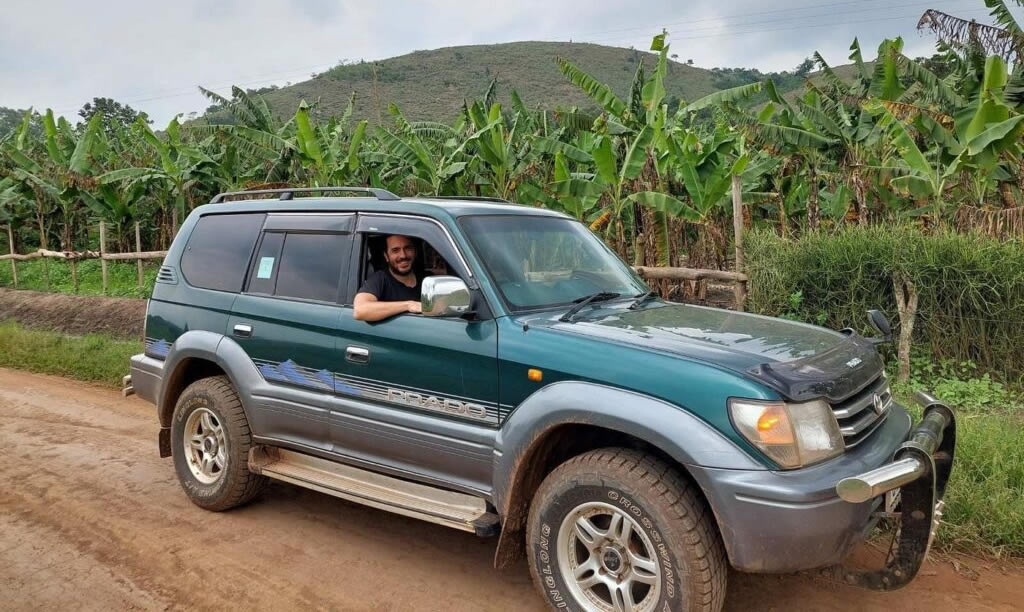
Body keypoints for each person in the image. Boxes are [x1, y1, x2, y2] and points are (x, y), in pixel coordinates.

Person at [353, 234, 424, 321]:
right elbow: (360, 310)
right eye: (395, 250)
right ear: (386, 256)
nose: (403, 255)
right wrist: (408, 305)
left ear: (415, 252)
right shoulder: (380, 279)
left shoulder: (427, 278)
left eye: (408, 248)